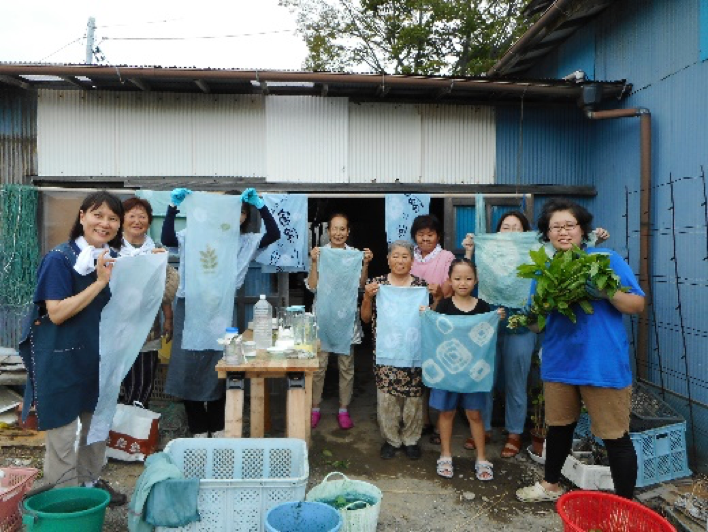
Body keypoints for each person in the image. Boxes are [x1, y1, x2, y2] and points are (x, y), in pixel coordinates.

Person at [515, 199, 644, 502]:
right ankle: (550, 486)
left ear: (582, 229)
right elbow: (537, 326)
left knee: (615, 437)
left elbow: (637, 304)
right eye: (554, 226)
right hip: (560, 361)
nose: (562, 231)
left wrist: (607, 291)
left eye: (569, 225)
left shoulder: (604, 259)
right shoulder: (545, 272)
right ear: (546, 234)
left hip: (602, 361)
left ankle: (626, 506)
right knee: (559, 428)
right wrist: (533, 314)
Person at [462, 212, 610, 458]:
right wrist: (469, 250)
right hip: (488, 324)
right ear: (495, 233)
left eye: (516, 228)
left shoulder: (535, 251)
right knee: (483, 379)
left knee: (516, 382)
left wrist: (594, 239)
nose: (510, 233)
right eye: (505, 228)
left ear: (528, 235)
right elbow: (467, 274)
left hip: (522, 325)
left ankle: (514, 433)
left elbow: (566, 252)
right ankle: (483, 428)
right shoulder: (489, 252)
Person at [19, 191, 127, 505]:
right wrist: (98, 283)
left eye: (112, 218)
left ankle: (91, 485)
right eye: (98, 215)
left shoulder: (111, 259)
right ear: (82, 217)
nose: (105, 223)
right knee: (63, 435)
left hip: (97, 357)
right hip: (60, 357)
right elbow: (56, 312)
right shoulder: (60, 259)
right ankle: (65, 502)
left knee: (97, 428)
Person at [161, 187, 280, 438]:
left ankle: (217, 429)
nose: (236, 215)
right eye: (231, 209)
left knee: (220, 367)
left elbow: (274, 233)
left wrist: (260, 205)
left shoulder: (245, 241)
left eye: (242, 211)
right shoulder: (195, 235)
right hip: (190, 306)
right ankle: (198, 431)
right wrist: (173, 208)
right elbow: (168, 239)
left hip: (221, 308)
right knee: (189, 368)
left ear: (245, 217)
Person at [428, 258, 506, 481]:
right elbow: (434, 328)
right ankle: (445, 455)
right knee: (446, 413)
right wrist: (428, 313)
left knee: (474, 414)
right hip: (447, 370)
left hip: (473, 372)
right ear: (450, 280)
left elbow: (486, 335)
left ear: (476, 280)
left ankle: (482, 458)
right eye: (458, 278)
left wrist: (496, 318)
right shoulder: (443, 306)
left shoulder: (482, 307)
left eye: (468, 278)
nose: (463, 283)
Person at [361, 240, 435, 461]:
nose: (400, 260)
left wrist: (437, 297)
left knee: (414, 398)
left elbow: (431, 320)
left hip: (413, 351)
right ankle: (391, 440)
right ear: (388, 259)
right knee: (387, 397)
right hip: (386, 350)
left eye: (405, 256)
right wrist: (366, 297)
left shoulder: (421, 286)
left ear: (412, 261)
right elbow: (365, 318)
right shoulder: (377, 285)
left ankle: (411, 439)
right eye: (396, 256)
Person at [307, 213, 373, 430]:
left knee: (346, 367)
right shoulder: (321, 254)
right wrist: (314, 262)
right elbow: (313, 285)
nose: (338, 233)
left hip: (346, 318)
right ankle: (314, 407)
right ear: (328, 231)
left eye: (342, 229)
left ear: (348, 232)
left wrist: (365, 264)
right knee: (319, 367)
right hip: (323, 317)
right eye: (334, 229)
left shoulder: (353, 255)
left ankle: (343, 409)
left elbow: (361, 285)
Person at [118, 197, 179, 408]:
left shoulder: (156, 250)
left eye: (142, 216)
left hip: (147, 328)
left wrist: (168, 318)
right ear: (121, 220)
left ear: (149, 222)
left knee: (143, 380)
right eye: (132, 216)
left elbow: (163, 290)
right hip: (116, 329)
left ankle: (134, 430)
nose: (137, 220)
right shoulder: (111, 250)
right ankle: (117, 430)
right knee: (118, 379)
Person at [409, 214, 455, 437]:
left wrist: (438, 293)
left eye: (430, 234)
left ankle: (439, 424)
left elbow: (449, 289)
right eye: (420, 234)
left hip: (439, 321)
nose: (425, 238)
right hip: (413, 321)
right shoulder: (409, 257)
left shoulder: (446, 257)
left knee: (438, 371)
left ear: (438, 236)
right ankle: (423, 419)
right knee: (418, 370)